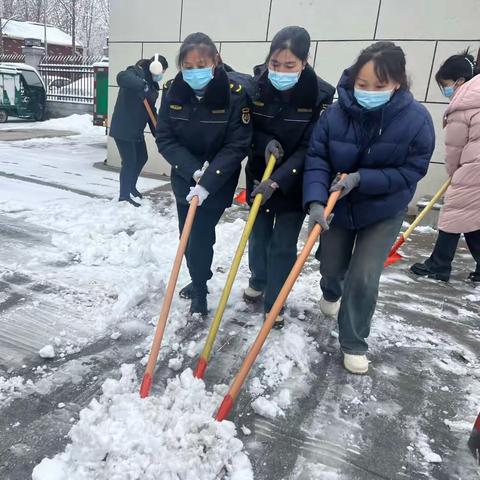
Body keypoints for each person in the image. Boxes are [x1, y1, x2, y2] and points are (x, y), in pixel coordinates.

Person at [303, 42, 435, 374]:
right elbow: (317, 157)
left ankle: (354, 342)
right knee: (332, 265)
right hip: (339, 203)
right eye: (363, 84)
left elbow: (412, 169)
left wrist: (363, 179)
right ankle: (331, 290)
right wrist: (317, 200)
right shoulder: (335, 114)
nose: (369, 92)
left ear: (398, 83)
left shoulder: (416, 119)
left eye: (380, 86)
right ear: (353, 78)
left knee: (363, 276)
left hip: (383, 208)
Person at [243, 26, 335, 329]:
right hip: (260, 171)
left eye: (289, 65)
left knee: (282, 244)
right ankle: (258, 278)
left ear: (304, 62)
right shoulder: (255, 85)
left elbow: (311, 146)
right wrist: (263, 141)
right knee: (257, 236)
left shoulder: (320, 94)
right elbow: (245, 128)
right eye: (275, 64)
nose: (280, 71)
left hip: (294, 180)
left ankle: (275, 302)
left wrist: (278, 180)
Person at [155, 32, 253, 315]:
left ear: (215, 61)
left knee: (199, 235)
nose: (194, 71)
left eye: (201, 64)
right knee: (186, 236)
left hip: (218, 179)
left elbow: (238, 144)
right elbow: (165, 137)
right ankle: (200, 277)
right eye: (188, 65)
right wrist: (192, 170)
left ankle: (199, 288)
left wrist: (208, 179)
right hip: (185, 175)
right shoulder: (173, 90)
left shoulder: (234, 94)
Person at [410, 51, 480, 283]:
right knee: (471, 218)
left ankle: (438, 265)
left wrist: (454, 172)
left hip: (473, 169)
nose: (447, 91)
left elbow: (455, 147)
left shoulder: (464, 103)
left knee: (457, 214)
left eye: (446, 85)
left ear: (460, 81)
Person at [110, 55, 168, 206]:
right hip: (124, 128)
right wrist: (141, 84)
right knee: (129, 162)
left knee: (142, 158)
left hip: (136, 131)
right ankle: (124, 196)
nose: (161, 75)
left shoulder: (153, 86)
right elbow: (121, 77)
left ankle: (131, 187)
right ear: (155, 67)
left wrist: (159, 132)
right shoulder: (135, 72)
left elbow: (151, 113)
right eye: (162, 71)